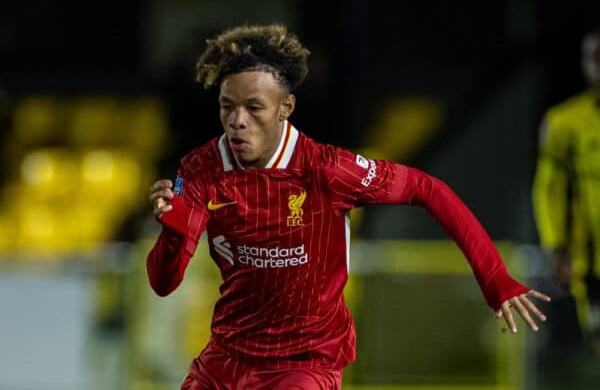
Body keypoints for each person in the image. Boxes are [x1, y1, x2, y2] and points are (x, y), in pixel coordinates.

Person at [148, 24, 550, 390]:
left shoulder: (327, 169)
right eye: (226, 106)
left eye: (254, 107)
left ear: (285, 107)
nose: (237, 120)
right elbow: (163, 283)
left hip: (303, 365)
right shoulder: (199, 170)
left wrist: (495, 279)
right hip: (226, 360)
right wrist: (174, 233)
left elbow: (429, 189)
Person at [533, 27, 600, 352]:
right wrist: (554, 244)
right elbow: (548, 188)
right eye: (594, 59)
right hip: (590, 262)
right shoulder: (563, 123)